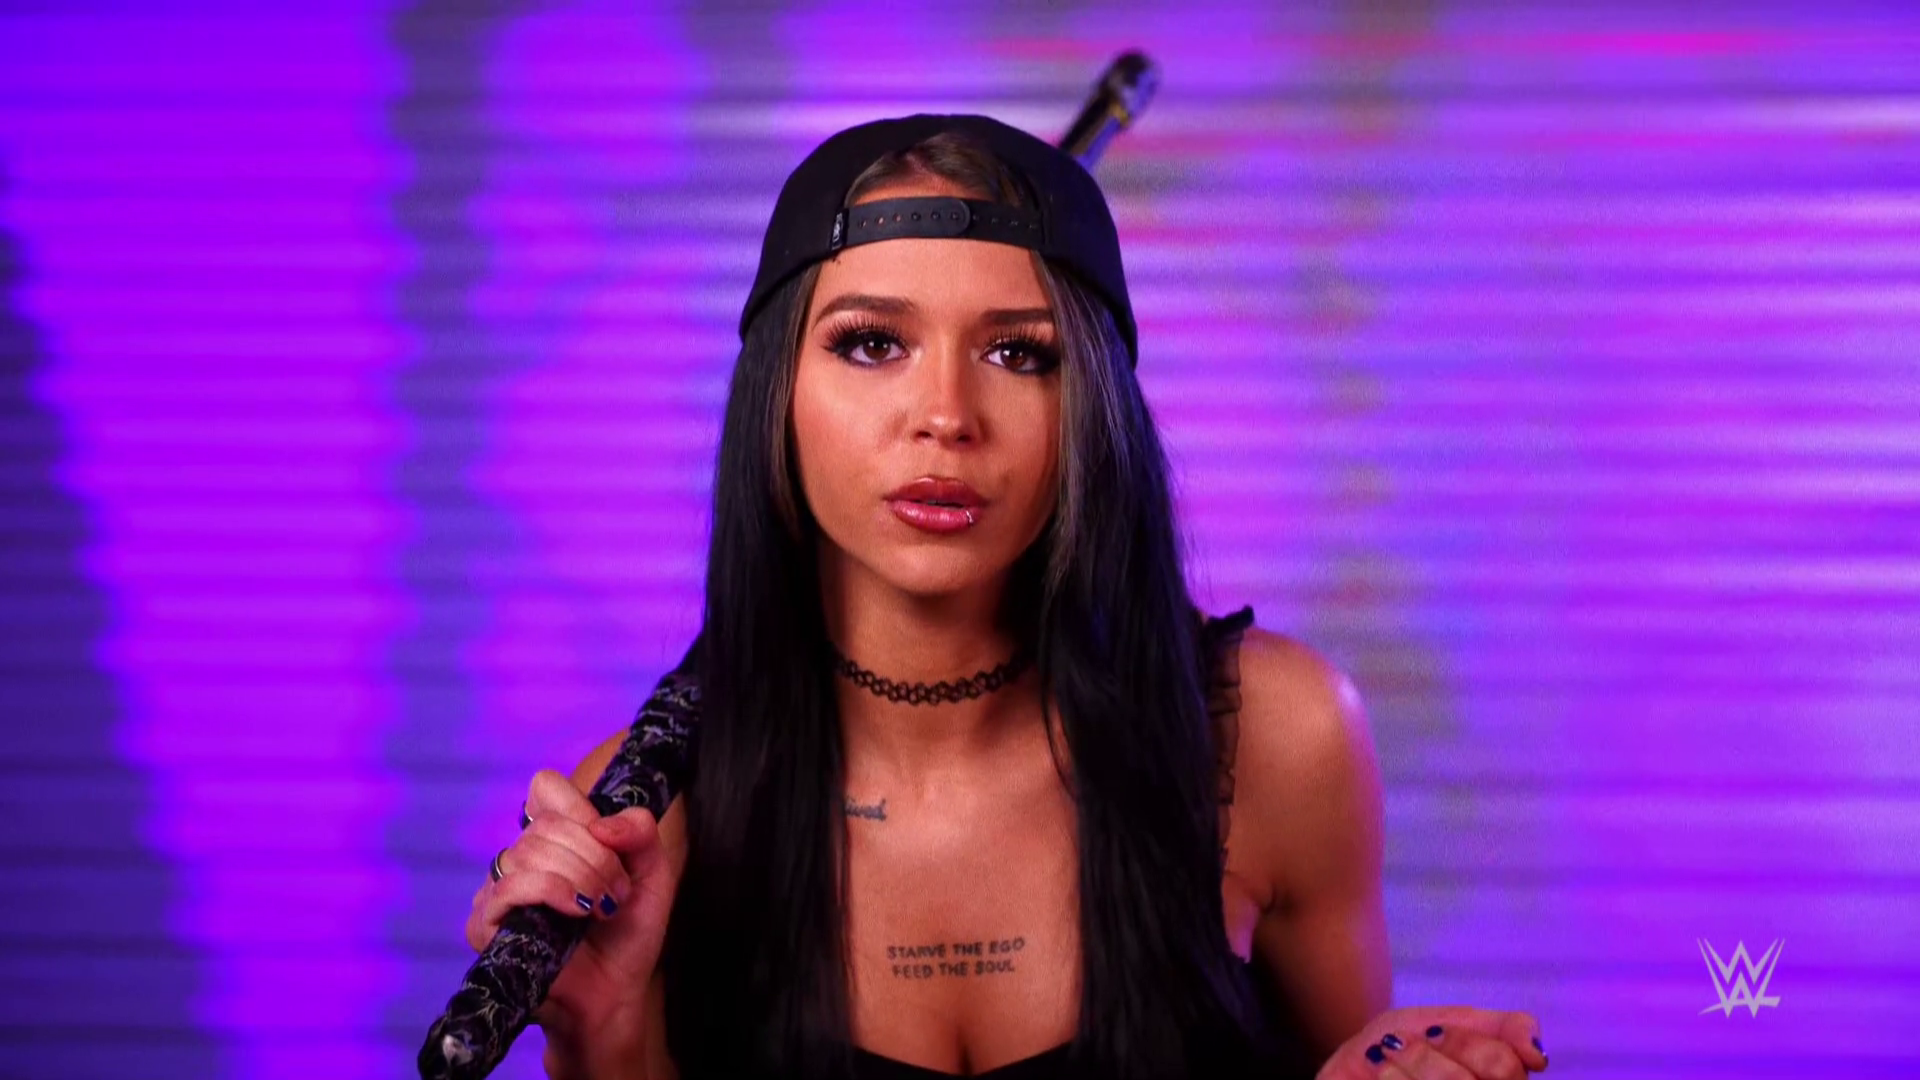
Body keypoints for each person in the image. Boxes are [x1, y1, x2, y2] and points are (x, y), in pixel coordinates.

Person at [465, 114, 1549, 1080]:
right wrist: (602, 1040)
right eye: (872, 343)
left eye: (1018, 353)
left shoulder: (1273, 737)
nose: (945, 414)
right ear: (777, 394)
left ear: (1095, 411)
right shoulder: (641, 821)